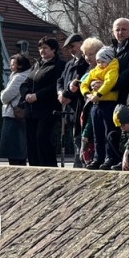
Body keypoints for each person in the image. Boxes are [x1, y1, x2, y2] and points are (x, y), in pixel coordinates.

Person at [96, 19, 129, 169]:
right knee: (110, 130)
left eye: (124, 29)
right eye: (117, 29)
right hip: (109, 98)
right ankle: (111, 158)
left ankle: (128, 160)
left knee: (126, 131)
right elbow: (99, 69)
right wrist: (95, 83)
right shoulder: (110, 49)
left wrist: (111, 85)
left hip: (126, 95)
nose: (120, 32)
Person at [23, 36, 65, 167]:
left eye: (45, 48)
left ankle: (48, 166)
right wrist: (26, 94)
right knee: (31, 141)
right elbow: (25, 83)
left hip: (47, 110)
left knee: (43, 139)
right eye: (40, 48)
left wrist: (38, 95)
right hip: (31, 110)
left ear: (53, 49)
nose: (42, 51)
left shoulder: (59, 65)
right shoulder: (36, 65)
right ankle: (34, 167)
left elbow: (55, 85)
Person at [83, 47, 120, 169]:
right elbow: (84, 83)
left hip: (108, 103)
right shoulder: (95, 70)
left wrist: (98, 94)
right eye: (98, 62)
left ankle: (110, 157)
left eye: (102, 61)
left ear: (109, 60)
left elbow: (109, 82)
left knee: (108, 132)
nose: (100, 64)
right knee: (97, 133)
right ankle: (98, 157)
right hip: (96, 104)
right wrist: (87, 94)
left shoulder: (113, 68)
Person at [57, 33, 89, 167]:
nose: (71, 50)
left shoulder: (85, 63)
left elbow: (80, 82)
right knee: (74, 138)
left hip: (78, 106)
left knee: (80, 140)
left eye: (73, 46)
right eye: (68, 48)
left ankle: (80, 164)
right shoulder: (70, 63)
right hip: (68, 108)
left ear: (81, 44)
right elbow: (60, 80)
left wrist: (67, 95)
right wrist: (60, 93)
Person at [78, 37, 105, 167]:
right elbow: (83, 82)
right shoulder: (89, 69)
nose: (88, 58)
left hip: (97, 105)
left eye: (91, 54)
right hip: (87, 105)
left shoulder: (102, 69)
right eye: (85, 54)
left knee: (92, 136)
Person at [0, 54, 32, 166]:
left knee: (14, 149)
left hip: (13, 115)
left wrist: (1, 93)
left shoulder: (19, 78)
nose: (10, 66)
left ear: (20, 66)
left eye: (13, 64)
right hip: (15, 115)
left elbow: (5, 97)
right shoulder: (19, 76)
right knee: (18, 150)